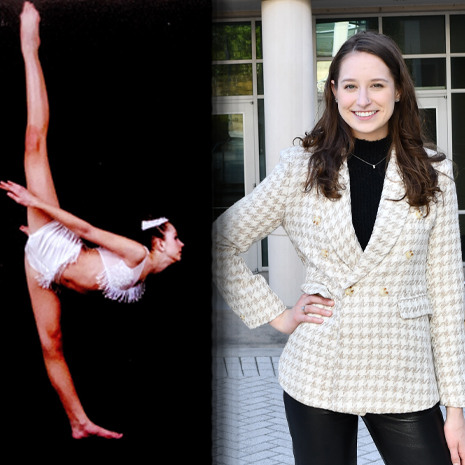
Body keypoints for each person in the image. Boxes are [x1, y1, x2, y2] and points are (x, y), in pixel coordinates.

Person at [213, 30, 465, 465]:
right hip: (319, 371)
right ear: (334, 92)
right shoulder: (302, 168)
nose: (362, 100)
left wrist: (456, 408)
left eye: (377, 85)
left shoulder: (434, 174)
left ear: (399, 90)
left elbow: (446, 293)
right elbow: (222, 240)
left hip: (404, 373)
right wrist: (279, 316)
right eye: (350, 86)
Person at [1, 2, 184, 440]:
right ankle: (30, 44)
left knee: (52, 346)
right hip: (57, 242)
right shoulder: (137, 252)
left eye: (178, 239)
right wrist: (35, 206)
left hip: (44, 268)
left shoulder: (141, 284)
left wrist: (39, 249)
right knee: (33, 143)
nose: (182, 245)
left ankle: (78, 422)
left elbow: (86, 280)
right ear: (158, 245)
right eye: (177, 239)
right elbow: (84, 233)